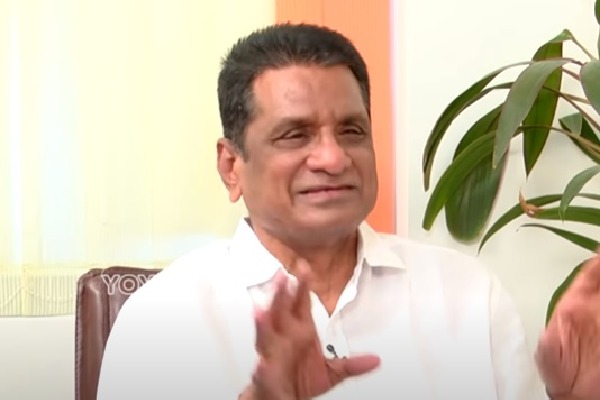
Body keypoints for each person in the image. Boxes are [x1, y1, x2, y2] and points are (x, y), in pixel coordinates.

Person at [96, 23, 600, 400]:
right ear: (232, 167)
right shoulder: (161, 322)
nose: (333, 158)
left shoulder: (469, 296)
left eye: (352, 131)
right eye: (295, 135)